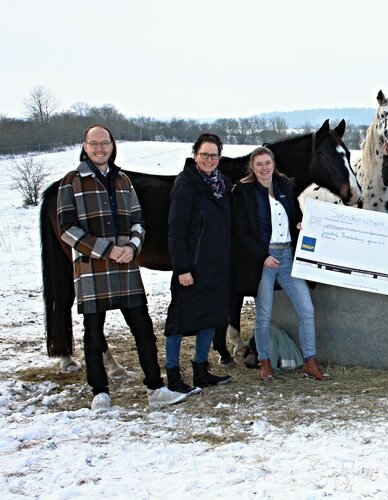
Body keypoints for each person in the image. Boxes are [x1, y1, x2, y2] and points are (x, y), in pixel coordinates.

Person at [57, 124, 188, 412]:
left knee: (143, 330)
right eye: (94, 143)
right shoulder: (71, 182)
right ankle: (100, 392)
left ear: (112, 146)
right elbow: (66, 229)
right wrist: (108, 250)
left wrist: (132, 247)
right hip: (92, 269)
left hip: (126, 267)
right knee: (93, 333)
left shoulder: (124, 181)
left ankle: (155, 388)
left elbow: (139, 222)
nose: (100, 148)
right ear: (85, 146)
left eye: (105, 143)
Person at [232, 146, 330, 381]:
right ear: (252, 167)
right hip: (264, 259)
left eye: (267, 163)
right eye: (259, 164)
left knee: (307, 309)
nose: (264, 168)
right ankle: (265, 362)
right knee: (264, 314)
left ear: (273, 164)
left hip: (287, 256)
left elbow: (296, 215)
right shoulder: (244, 191)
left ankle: (310, 362)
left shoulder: (285, 186)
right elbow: (241, 232)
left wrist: (300, 225)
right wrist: (262, 257)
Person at [164, 133, 233, 394]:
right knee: (178, 321)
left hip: (216, 266)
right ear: (195, 155)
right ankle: (173, 375)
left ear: (219, 158)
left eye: (214, 155)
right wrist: (182, 268)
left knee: (211, 317)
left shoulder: (223, 186)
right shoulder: (186, 185)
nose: (209, 159)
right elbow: (176, 230)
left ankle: (201, 371)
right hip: (191, 267)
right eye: (204, 154)